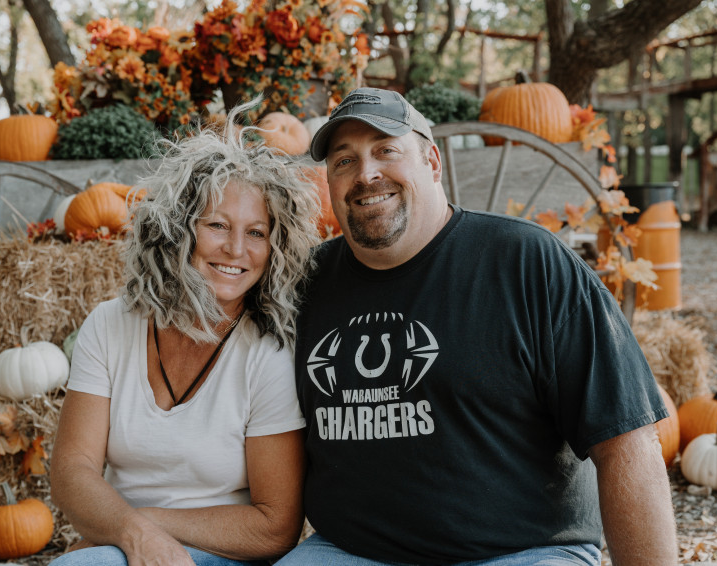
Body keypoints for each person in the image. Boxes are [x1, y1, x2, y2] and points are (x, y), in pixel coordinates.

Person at [277, 87, 678, 566]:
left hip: (518, 553)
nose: (366, 174)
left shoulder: (527, 264)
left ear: (432, 162)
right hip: (350, 553)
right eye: (344, 161)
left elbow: (627, 442)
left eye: (386, 150)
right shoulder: (304, 283)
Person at [49, 101, 321, 566]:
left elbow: (275, 528)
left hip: (223, 552)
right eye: (216, 225)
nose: (236, 250)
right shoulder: (111, 325)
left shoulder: (268, 350)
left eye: (256, 232)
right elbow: (72, 471)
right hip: (122, 542)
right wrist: (132, 535)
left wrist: (141, 526)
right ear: (175, 230)